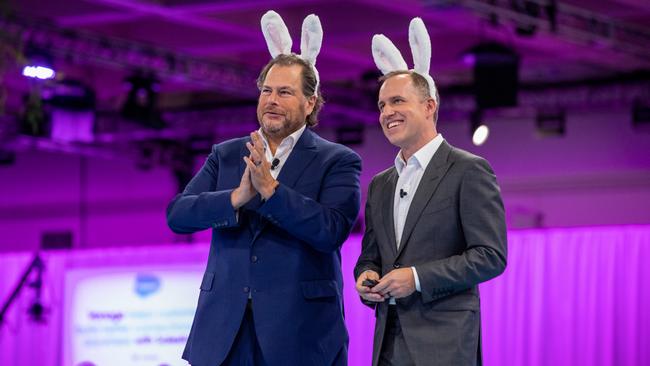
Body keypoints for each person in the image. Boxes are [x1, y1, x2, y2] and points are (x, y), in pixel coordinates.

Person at [167, 11, 361, 366]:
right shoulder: (227, 154)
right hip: (224, 334)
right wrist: (236, 198)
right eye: (266, 91)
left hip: (300, 336)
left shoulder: (338, 160)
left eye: (284, 92)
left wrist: (271, 191)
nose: (271, 100)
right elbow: (178, 214)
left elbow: (330, 231)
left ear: (310, 103)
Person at [354, 18, 507, 366]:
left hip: (444, 345)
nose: (387, 112)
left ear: (429, 106)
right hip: (387, 345)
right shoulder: (381, 183)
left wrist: (417, 278)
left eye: (397, 101)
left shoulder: (468, 169)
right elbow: (371, 255)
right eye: (381, 105)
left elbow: (490, 256)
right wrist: (365, 276)